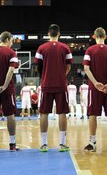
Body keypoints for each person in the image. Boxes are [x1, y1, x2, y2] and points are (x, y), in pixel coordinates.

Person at [34, 24, 73, 152]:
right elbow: (68, 67)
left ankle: (44, 144)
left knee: (44, 113)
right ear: (59, 34)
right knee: (62, 112)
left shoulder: (41, 48)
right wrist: (61, 75)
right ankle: (62, 144)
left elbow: (38, 66)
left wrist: (44, 75)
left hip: (46, 84)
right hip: (61, 84)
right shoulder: (65, 48)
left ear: (48, 34)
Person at [82, 27, 107, 152]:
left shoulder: (89, 51)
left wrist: (96, 83)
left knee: (92, 114)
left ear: (94, 36)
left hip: (94, 89)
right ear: (105, 36)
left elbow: (86, 69)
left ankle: (92, 143)